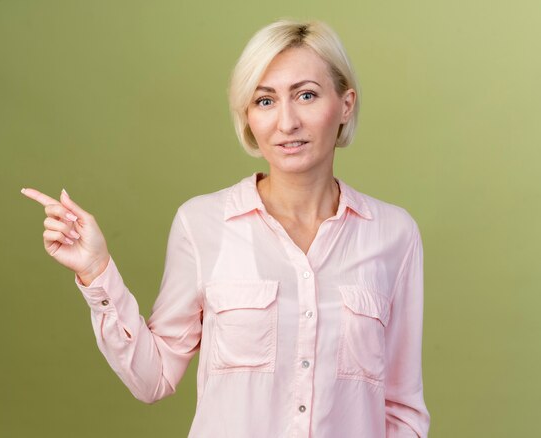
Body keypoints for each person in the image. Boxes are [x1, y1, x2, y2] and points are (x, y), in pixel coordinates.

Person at [21, 18, 430, 437]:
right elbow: (154, 378)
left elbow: (402, 410)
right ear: (248, 115)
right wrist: (96, 272)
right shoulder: (202, 224)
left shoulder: (393, 234)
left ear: (345, 104)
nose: (286, 122)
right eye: (265, 101)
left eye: (306, 95)